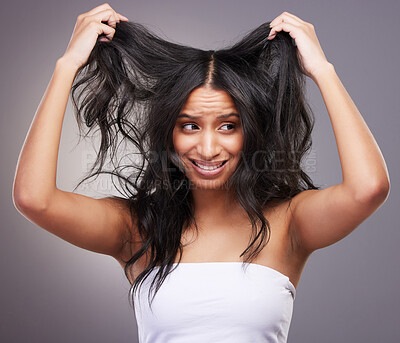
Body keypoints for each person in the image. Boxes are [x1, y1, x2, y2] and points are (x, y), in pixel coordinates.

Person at [12, 3, 390, 343]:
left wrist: (323, 71)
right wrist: (66, 67)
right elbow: (34, 199)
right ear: (169, 134)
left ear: (251, 132)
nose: (208, 149)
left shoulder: (289, 223)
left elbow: (367, 189)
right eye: (190, 125)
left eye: (228, 125)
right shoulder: (136, 230)